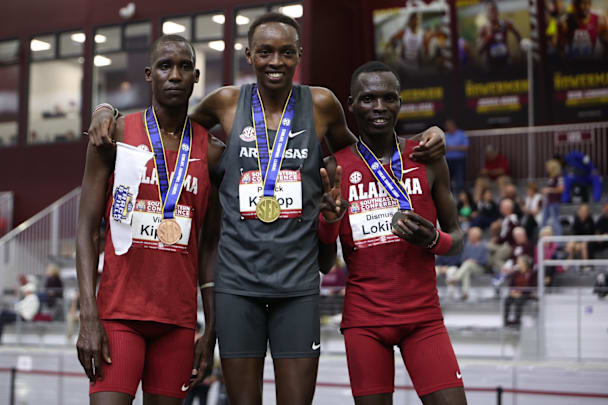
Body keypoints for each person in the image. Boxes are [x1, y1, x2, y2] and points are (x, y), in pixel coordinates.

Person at [86, 12, 448, 405]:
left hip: (298, 284)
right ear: (248, 55)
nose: (275, 61)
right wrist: (108, 109)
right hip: (238, 284)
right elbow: (170, 129)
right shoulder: (226, 102)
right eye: (265, 52)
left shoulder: (321, 103)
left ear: (299, 55)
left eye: (285, 52)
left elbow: (359, 154)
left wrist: (423, 139)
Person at [76, 35, 221, 404]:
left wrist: (211, 329)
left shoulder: (214, 152)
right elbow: (88, 230)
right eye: (164, 66)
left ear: (196, 76)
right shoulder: (116, 135)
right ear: (148, 75)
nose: (175, 75)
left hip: (177, 322)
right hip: (119, 316)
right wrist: (88, 316)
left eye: (184, 67)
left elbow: (209, 248)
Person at [318, 61, 466, 404]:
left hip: (423, 318)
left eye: (389, 98)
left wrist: (433, 239)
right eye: (369, 99)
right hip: (364, 321)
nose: (379, 108)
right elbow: (325, 264)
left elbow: (456, 240)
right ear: (352, 103)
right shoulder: (333, 167)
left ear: (400, 102)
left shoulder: (427, 156)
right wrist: (327, 223)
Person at [447, 227, 490, 301]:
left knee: (468, 264)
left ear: (477, 236)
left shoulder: (484, 246)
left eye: (471, 235)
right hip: (468, 267)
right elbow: (463, 259)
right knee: (467, 269)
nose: (469, 236)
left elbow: (486, 261)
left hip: (480, 268)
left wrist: (475, 261)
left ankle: (455, 278)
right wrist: (469, 261)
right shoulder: (467, 246)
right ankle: (465, 293)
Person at [478, 0, 522, 70]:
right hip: (491, 64)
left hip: (505, 61)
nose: (493, 14)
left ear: (498, 12)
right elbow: (479, 50)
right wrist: (489, 36)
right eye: (491, 11)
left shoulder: (504, 24)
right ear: (487, 14)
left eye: (494, 11)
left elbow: (517, 34)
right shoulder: (483, 28)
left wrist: (519, 49)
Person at [503, 255, 536, 327]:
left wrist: (522, 292)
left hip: (526, 293)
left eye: (519, 262)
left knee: (518, 301)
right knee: (507, 300)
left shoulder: (531, 273)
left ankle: (517, 320)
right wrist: (513, 292)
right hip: (515, 293)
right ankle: (506, 321)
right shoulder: (515, 273)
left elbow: (532, 285)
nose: (518, 263)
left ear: (525, 263)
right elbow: (511, 285)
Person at [444, 119, 468, 194]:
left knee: (459, 180)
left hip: (459, 160)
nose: (449, 128)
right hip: (447, 161)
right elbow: (442, 147)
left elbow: (466, 147)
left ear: (454, 126)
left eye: (450, 126)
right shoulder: (445, 135)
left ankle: (460, 197)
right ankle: (449, 197)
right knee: (447, 180)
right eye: (447, 127)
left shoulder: (461, 134)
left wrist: (453, 148)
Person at [542, 159, 564, 235]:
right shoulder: (551, 177)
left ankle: (559, 242)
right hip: (548, 202)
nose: (547, 168)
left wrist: (549, 190)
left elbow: (561, 189)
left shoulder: (559, 177)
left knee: (555, 221)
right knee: (543, 221)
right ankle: (542, 240)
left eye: (548, 167)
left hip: (554, 202)